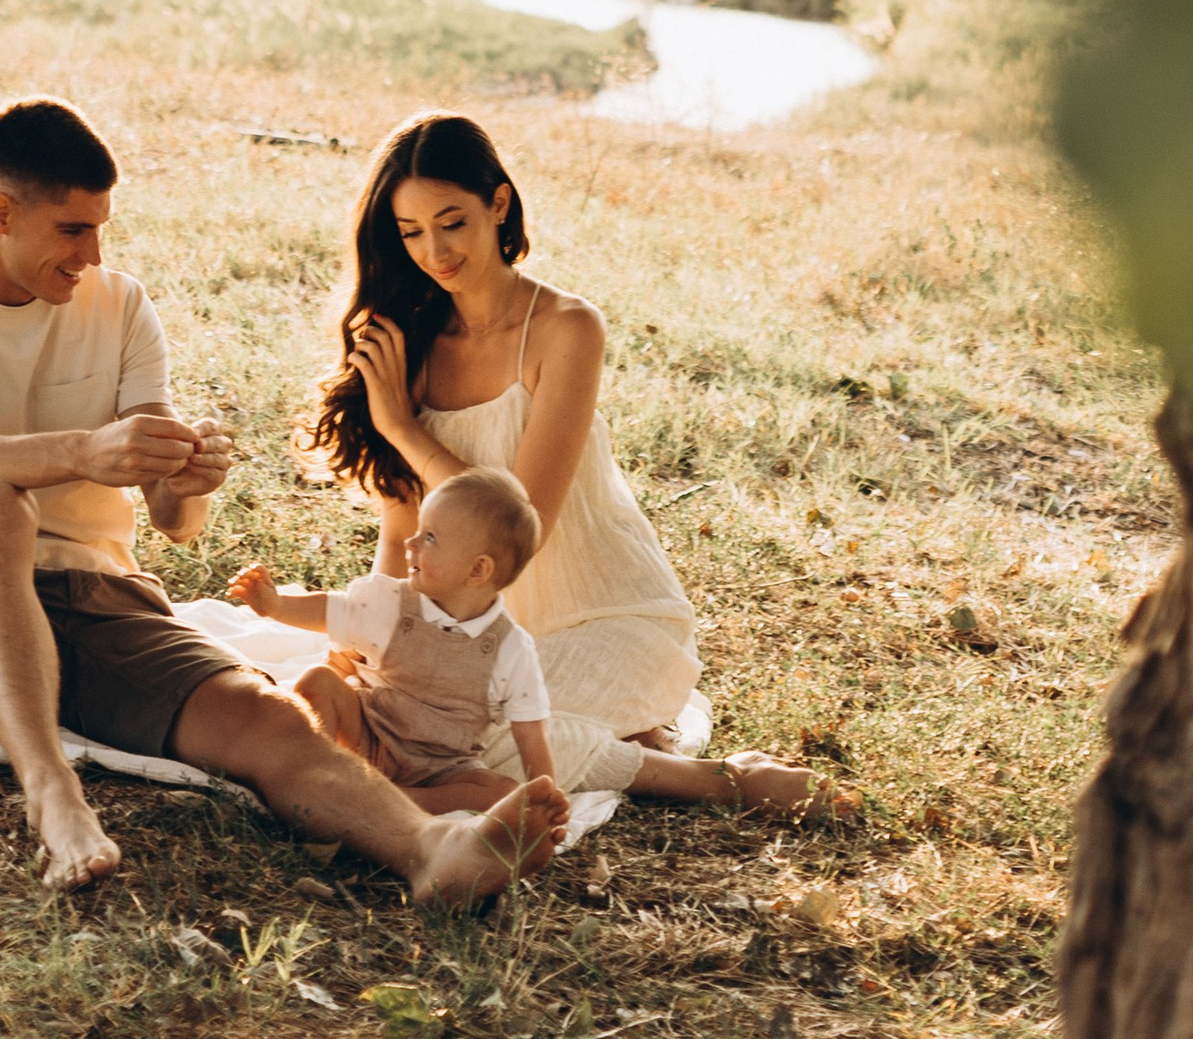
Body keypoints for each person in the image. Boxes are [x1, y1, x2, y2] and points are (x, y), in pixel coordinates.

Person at [0, 93, 570, 897]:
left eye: (102, 228)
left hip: (99, 602)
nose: (92, 252)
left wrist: (184, 481)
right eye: (73, 230)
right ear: (4, 213)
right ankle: (54, 795)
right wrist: (82, 449)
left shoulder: (119, 306)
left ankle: (429, 849)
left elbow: (174, 523)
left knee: (262, 713)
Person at [306, 110, 848, 814]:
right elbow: (403, 525)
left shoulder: (566, 328)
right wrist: (376, 628)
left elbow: (518, 525)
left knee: (465, 737)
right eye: (411, 233)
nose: (434, 251)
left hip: (609, 617)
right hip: (473, 633)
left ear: (499, 204)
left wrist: (405, 430)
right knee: (387, 718)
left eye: (453, 222)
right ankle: (629, 738)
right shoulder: (410, 338)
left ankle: (716, 778)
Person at [227, 464, 554, 815]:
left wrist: (548, 801)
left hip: (441, 769)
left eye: (430, 537)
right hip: (369, 736)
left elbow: (530, 736)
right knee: (319, 682)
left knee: (501, 791)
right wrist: (276, 606)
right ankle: (314, 774)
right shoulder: (392, 602)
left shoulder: (511, 648)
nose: (410, 542)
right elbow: (329, 610)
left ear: (477, 570)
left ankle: (389, 798)